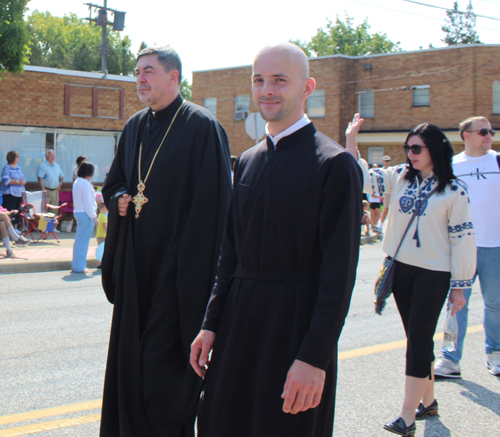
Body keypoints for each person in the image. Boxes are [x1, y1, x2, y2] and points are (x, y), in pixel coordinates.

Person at [190, 43, 363, 437]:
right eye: (259, 80)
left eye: (279, 80)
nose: (267, 90)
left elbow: (339, 277)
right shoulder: (247, 160)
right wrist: (210, 324)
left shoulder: (335, 165)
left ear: (307, 87)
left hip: (294, 330)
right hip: (237, 328)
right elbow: (229, 254)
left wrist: (314, 358)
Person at [100, 45, 231, 437]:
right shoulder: (134, 127)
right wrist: (120, 198)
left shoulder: (202, 128)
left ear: (174, 77)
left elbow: (213, 210)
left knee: (163, 378)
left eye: (149, 71)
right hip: (136, 272)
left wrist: (189, 276)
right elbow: (116, 182)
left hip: (177, 279)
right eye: (137, 72)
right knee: (132, 371)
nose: (140, 78)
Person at [346, 116, 476, 436]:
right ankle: (428, 401)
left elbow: (463, 239)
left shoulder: (455, 190)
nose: (411, 154)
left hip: (435, 274)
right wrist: (351, 139)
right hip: (401, 270)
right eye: (408, 148)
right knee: (418, 340)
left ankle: (407, 415)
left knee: (418, 342)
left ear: (434, 149)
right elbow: (360, 178)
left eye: (416, 148)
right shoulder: (401, 177)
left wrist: (460, 287)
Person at [435, 116, 500, 378]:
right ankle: (450, 359)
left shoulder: (497, 161)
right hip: (461, 248)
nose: (489, 136)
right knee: (455, 304)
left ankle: (495, 353)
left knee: (495, 304)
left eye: (491, 131)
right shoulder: (451, 166)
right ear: (466, 135)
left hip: (494, 246)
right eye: (483, 131)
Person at [72, 162, 98, 273]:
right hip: (86, 214)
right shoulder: (85, 183)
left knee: (79, 241)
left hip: (79, 212)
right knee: (83, 242)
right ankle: (79, 267)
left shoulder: (77, 182)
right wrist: (94, 217)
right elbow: (88, 202)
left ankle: (77, 265)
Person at [1, 151, 27, 231]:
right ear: (12, 157)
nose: (18, 157)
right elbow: (5, 180)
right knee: (10, 211)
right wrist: (17, 181)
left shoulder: (18, 167)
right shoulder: (7, 168)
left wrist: (23, 181)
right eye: (17, 156)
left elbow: (23, 178)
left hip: (19, 193)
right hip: (10, 194)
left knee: (18, 211)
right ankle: (8, 229)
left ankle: (15, 228)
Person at [37, 149, 64, 214]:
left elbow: (62, 176)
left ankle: (54, 224)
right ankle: (44, 224)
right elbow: (40, 179)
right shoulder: (42, 166)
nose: (53, 157)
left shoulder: (57, 166)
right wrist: (44, 190)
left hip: (55, 192)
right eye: (51, 156)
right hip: (47, 191)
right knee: (44, 211)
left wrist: (60, 185)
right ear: (46, 156)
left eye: (54, 156)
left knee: (54, 212)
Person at [95, 200, 108, 269]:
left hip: (99, 235)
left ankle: (99, 263)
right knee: (103, 250)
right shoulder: (104, 217)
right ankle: (102, 263)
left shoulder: (99, 215)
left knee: (100, 249)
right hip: (103, 236)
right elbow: (105, 227)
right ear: (105, 208)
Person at [380, 155, 392, 225]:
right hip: (387, 191)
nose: (388, 162)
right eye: (386, 161)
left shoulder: (392, 169)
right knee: (386, 208)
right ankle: (380, 225)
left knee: (392, 209)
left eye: (389, 160)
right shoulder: (382, 170)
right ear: (383, 162)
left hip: (392, 190)